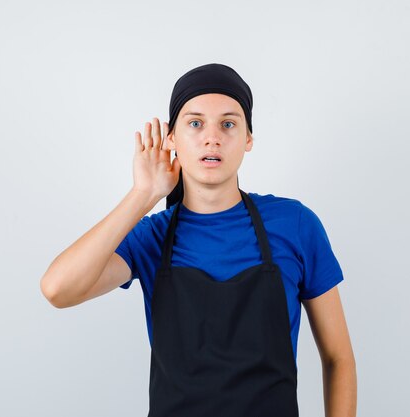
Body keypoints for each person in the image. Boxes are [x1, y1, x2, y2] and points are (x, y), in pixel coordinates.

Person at [40, 63, 357, 416]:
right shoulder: (152, 237)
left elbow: (338, 357)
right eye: (195, 123)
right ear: (171, 138)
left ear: (248, 138)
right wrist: (143, 194)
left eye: (228, 124)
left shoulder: (295, 224)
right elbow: (58, 289)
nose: (212, 137)